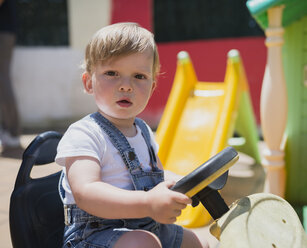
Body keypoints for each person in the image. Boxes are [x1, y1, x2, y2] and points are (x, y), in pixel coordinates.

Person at [56, 22, 209, 248]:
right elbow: (85, 193)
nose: (126, 86)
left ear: (152, 86)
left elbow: (156, 174)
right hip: (93, 236)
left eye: (139, 76)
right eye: (112, 73)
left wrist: (181, 182)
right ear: (89, 82)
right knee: (143, 243)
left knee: (198, 242)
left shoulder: (144, 131)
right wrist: (147, 202)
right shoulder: (84, 133)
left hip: (146, 227)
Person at [0, 0, 21, 150]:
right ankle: (7, 132)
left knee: (2, 78)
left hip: (3, 31)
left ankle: (12, 132)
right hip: (5, 30)